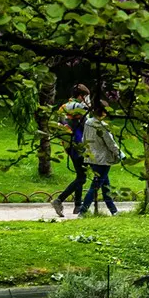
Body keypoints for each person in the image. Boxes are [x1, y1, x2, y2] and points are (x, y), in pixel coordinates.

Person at [50, 84, 91, 218]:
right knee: (82, 177)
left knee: (80, 175)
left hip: (69, 145)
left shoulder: (63, 107)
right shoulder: (78, 107)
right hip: (79, 145)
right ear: (80, 96)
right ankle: (59, 200)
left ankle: (77, 205)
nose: (86, 99)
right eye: (85, 96)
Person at [77, 105, 123, 216]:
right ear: (103, 112)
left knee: (105, 184)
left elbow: (84, 138)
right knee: (95, 186)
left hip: (91, 157)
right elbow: (110, 143)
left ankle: (113, 210)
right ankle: (83, 211)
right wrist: (120, 155)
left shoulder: (88, 123)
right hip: (103, 159)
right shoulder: (102, 126)